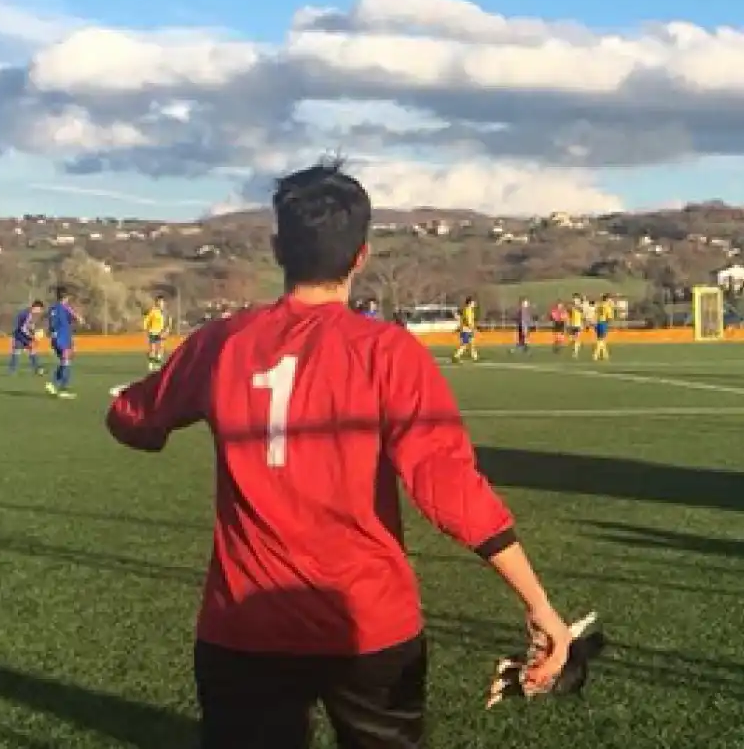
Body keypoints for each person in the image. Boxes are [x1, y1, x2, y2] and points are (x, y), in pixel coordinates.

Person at [105, 161, 571, 748]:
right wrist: (537, 603)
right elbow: (446, 487)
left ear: (277, 248)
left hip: (246, 628)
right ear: (362, 256)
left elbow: (135, 423)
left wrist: (122, 405)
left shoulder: (221, 343)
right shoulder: (388, 353)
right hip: (369, 624)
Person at [45, 287, 80, 399]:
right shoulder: (57, 309)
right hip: (61, 339)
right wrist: (54, 333)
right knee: (65, 361)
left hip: (65, 338)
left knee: (65, 362)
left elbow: (72, 319)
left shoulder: (63, 308)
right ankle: (62, 389)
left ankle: (53, 384)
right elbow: (53, 323)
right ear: (65, 297)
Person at [9, 300, 47, 377]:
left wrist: (33, 330)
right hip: (19, 336)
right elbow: (22, 328)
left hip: (24, 335)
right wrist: (32, 336)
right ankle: (12, 371)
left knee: (32, 351)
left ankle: (37, 370)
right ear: (35, 307)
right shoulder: (26, 313)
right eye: (39, 309)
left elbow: (29, 326)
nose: (39, 311)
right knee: (16, 352)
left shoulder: (31, 314)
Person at [144, 296, 170, 372]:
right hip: (153, 331)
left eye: (162, 302)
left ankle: (158, 363)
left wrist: (167, 330)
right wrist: (146, 330)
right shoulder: (153, 311)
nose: (161, 303)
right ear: (157, 302)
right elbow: (147, 320)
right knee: (152, 349)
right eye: (159, 302)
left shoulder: (165, 312)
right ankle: (151, 364)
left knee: (161, 347)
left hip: (161, 332)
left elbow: (168, 322)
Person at [452, 297, 481, 364]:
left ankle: (475, 357)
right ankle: (456, 356)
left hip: (468, 329)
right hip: (467, 329)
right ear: (470, 303)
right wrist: (473, 329)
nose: (474, 304)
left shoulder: (469, 310)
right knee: (465, 344)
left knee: (472, 343)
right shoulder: (468, 310)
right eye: (473, 302)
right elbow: (468, 321)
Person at [591, 293, 615, 362]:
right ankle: (596, 354)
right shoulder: (607, 306)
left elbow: (595, 314)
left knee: (601, 339)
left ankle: (605, 354)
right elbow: (609, 317)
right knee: (601, 340)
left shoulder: (599, 305)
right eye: (609, 298)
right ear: (607, 299)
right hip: (603, 323)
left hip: (598, 323)